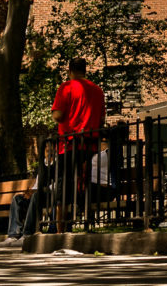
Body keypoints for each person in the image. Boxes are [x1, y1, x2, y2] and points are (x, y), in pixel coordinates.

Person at [50, 58, 105, 231]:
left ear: (70, 71)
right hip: (90, 145)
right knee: (83, 183)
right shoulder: (98, 91)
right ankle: (86, 222)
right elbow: (102, 120)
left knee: (63, 185)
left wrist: (56, 116)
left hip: (69, 144)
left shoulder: (66, 87)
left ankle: (60, 228)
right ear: (85, 70)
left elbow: (58, 115)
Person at [0, 139, 56, 247]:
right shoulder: (43, 164)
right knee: (17, 199)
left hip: (49, 196)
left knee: (35, 195)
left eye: (50, 149)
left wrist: (36, 191)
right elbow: (37, 184)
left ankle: (27, 234)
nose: (48, 152)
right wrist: (29, 191)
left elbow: (56, 186)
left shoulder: (57, 164)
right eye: (46, 150)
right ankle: (13, 235)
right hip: (36, 196)